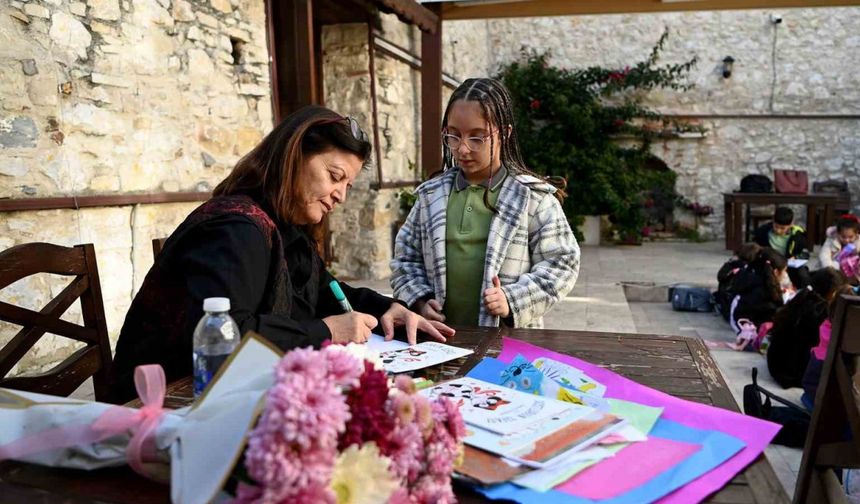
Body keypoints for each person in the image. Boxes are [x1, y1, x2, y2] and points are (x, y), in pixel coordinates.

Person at [108, 106, 454, 403]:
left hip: (226, 397)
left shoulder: (284, 226)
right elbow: (226, 336)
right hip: (163, 406)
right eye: (334, 176)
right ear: (294, 156)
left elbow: (324, 290)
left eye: (347, 185)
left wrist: (386, 309)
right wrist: (327, 331)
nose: (340, 196)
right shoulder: (236, 229)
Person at [390, 78, 580, 328]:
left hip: (508, 341)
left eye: (477, 138)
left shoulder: (533, 198)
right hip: (440, 339)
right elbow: (405, 259)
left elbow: (563, 262)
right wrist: (420, 300)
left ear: (505, 133)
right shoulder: (431, 197)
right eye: (453, 136)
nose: (463, 149)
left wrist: (512, 300)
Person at [766, 267, 845, 388]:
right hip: (792, 373)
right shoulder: (820, 311)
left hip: (776, 364)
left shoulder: (803, 297)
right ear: (833, 292)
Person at [729, 248, 788, 350]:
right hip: (750, 328)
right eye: (785, 271)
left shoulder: (752, 278)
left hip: (742, 321)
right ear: (775, 272)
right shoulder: (762, 290)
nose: (786, 275)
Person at [714, 242, 761, 321]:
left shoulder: (731, 264)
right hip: (734, 308)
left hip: (725, 303)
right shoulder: (747, 269)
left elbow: (720, 277)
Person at [818, 214, 860, 283]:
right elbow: (824, 256)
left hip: (852, 275)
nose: (847, 240)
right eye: (843, 237)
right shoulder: (831, 241)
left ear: (856, 234)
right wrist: (830, 269)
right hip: (833, 272)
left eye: (850, 237)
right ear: (837, 233)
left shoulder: (858, 243)